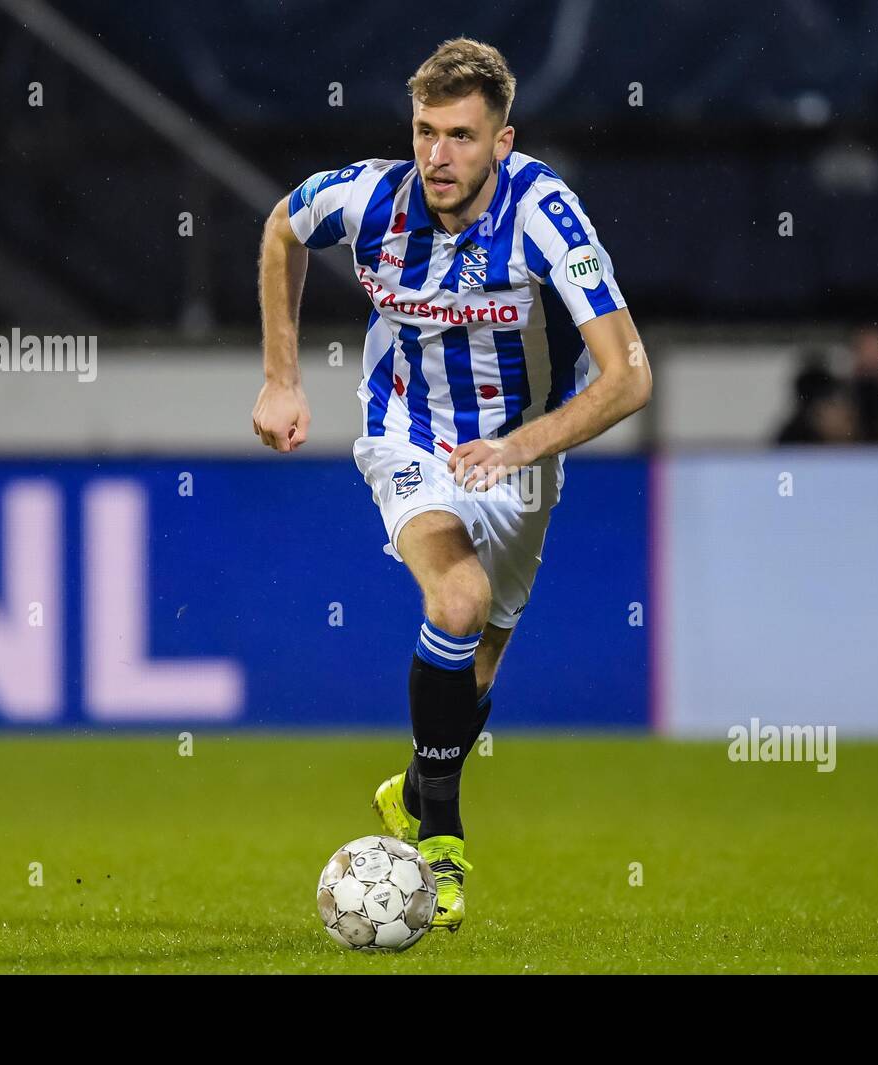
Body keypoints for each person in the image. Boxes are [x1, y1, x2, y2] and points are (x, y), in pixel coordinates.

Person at [252, 38, 652, 932]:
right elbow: (281, 225)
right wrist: (282, 377)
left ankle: (413, 790)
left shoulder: (546, 214)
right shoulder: (370, 198)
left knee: (476, 667)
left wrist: (522, 447)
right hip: (408, 436)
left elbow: (627, 376)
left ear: (502, 142)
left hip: (521, 457)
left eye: (463, 136)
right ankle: (443, 839)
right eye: (427, 132)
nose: (439, 155)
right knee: (459, 597)